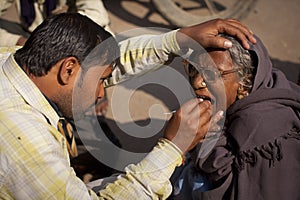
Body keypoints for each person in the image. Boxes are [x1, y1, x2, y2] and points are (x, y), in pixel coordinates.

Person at [0, 13, 256, 199]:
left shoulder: (15, 59)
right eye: (102, 81)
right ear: (68, 69)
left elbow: (108, 62)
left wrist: (177, 40)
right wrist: (171, 148)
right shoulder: (27, 146)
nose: (102, 92)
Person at [172, 34, 300, 199]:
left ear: (244, 81)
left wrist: (205, 138)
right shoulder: (260, 86)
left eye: (211, 74)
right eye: (192, 69)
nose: (197, 82)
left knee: (193, 180)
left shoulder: (259, 128)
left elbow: (240, 187)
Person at [0, 0, 112, 46]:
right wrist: (17, 41)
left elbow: (97, 15)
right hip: (32, 34)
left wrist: (58, 36)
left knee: (105, 38)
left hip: (69, 35)